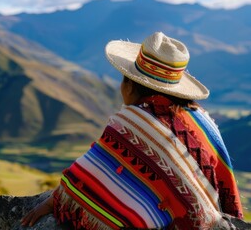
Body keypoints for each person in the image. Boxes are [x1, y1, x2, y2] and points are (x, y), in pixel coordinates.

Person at [21, 32, 243, 229]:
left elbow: (87, 178)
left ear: (130, 84)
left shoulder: (130, 124)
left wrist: (54, 200)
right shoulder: (203, 121)